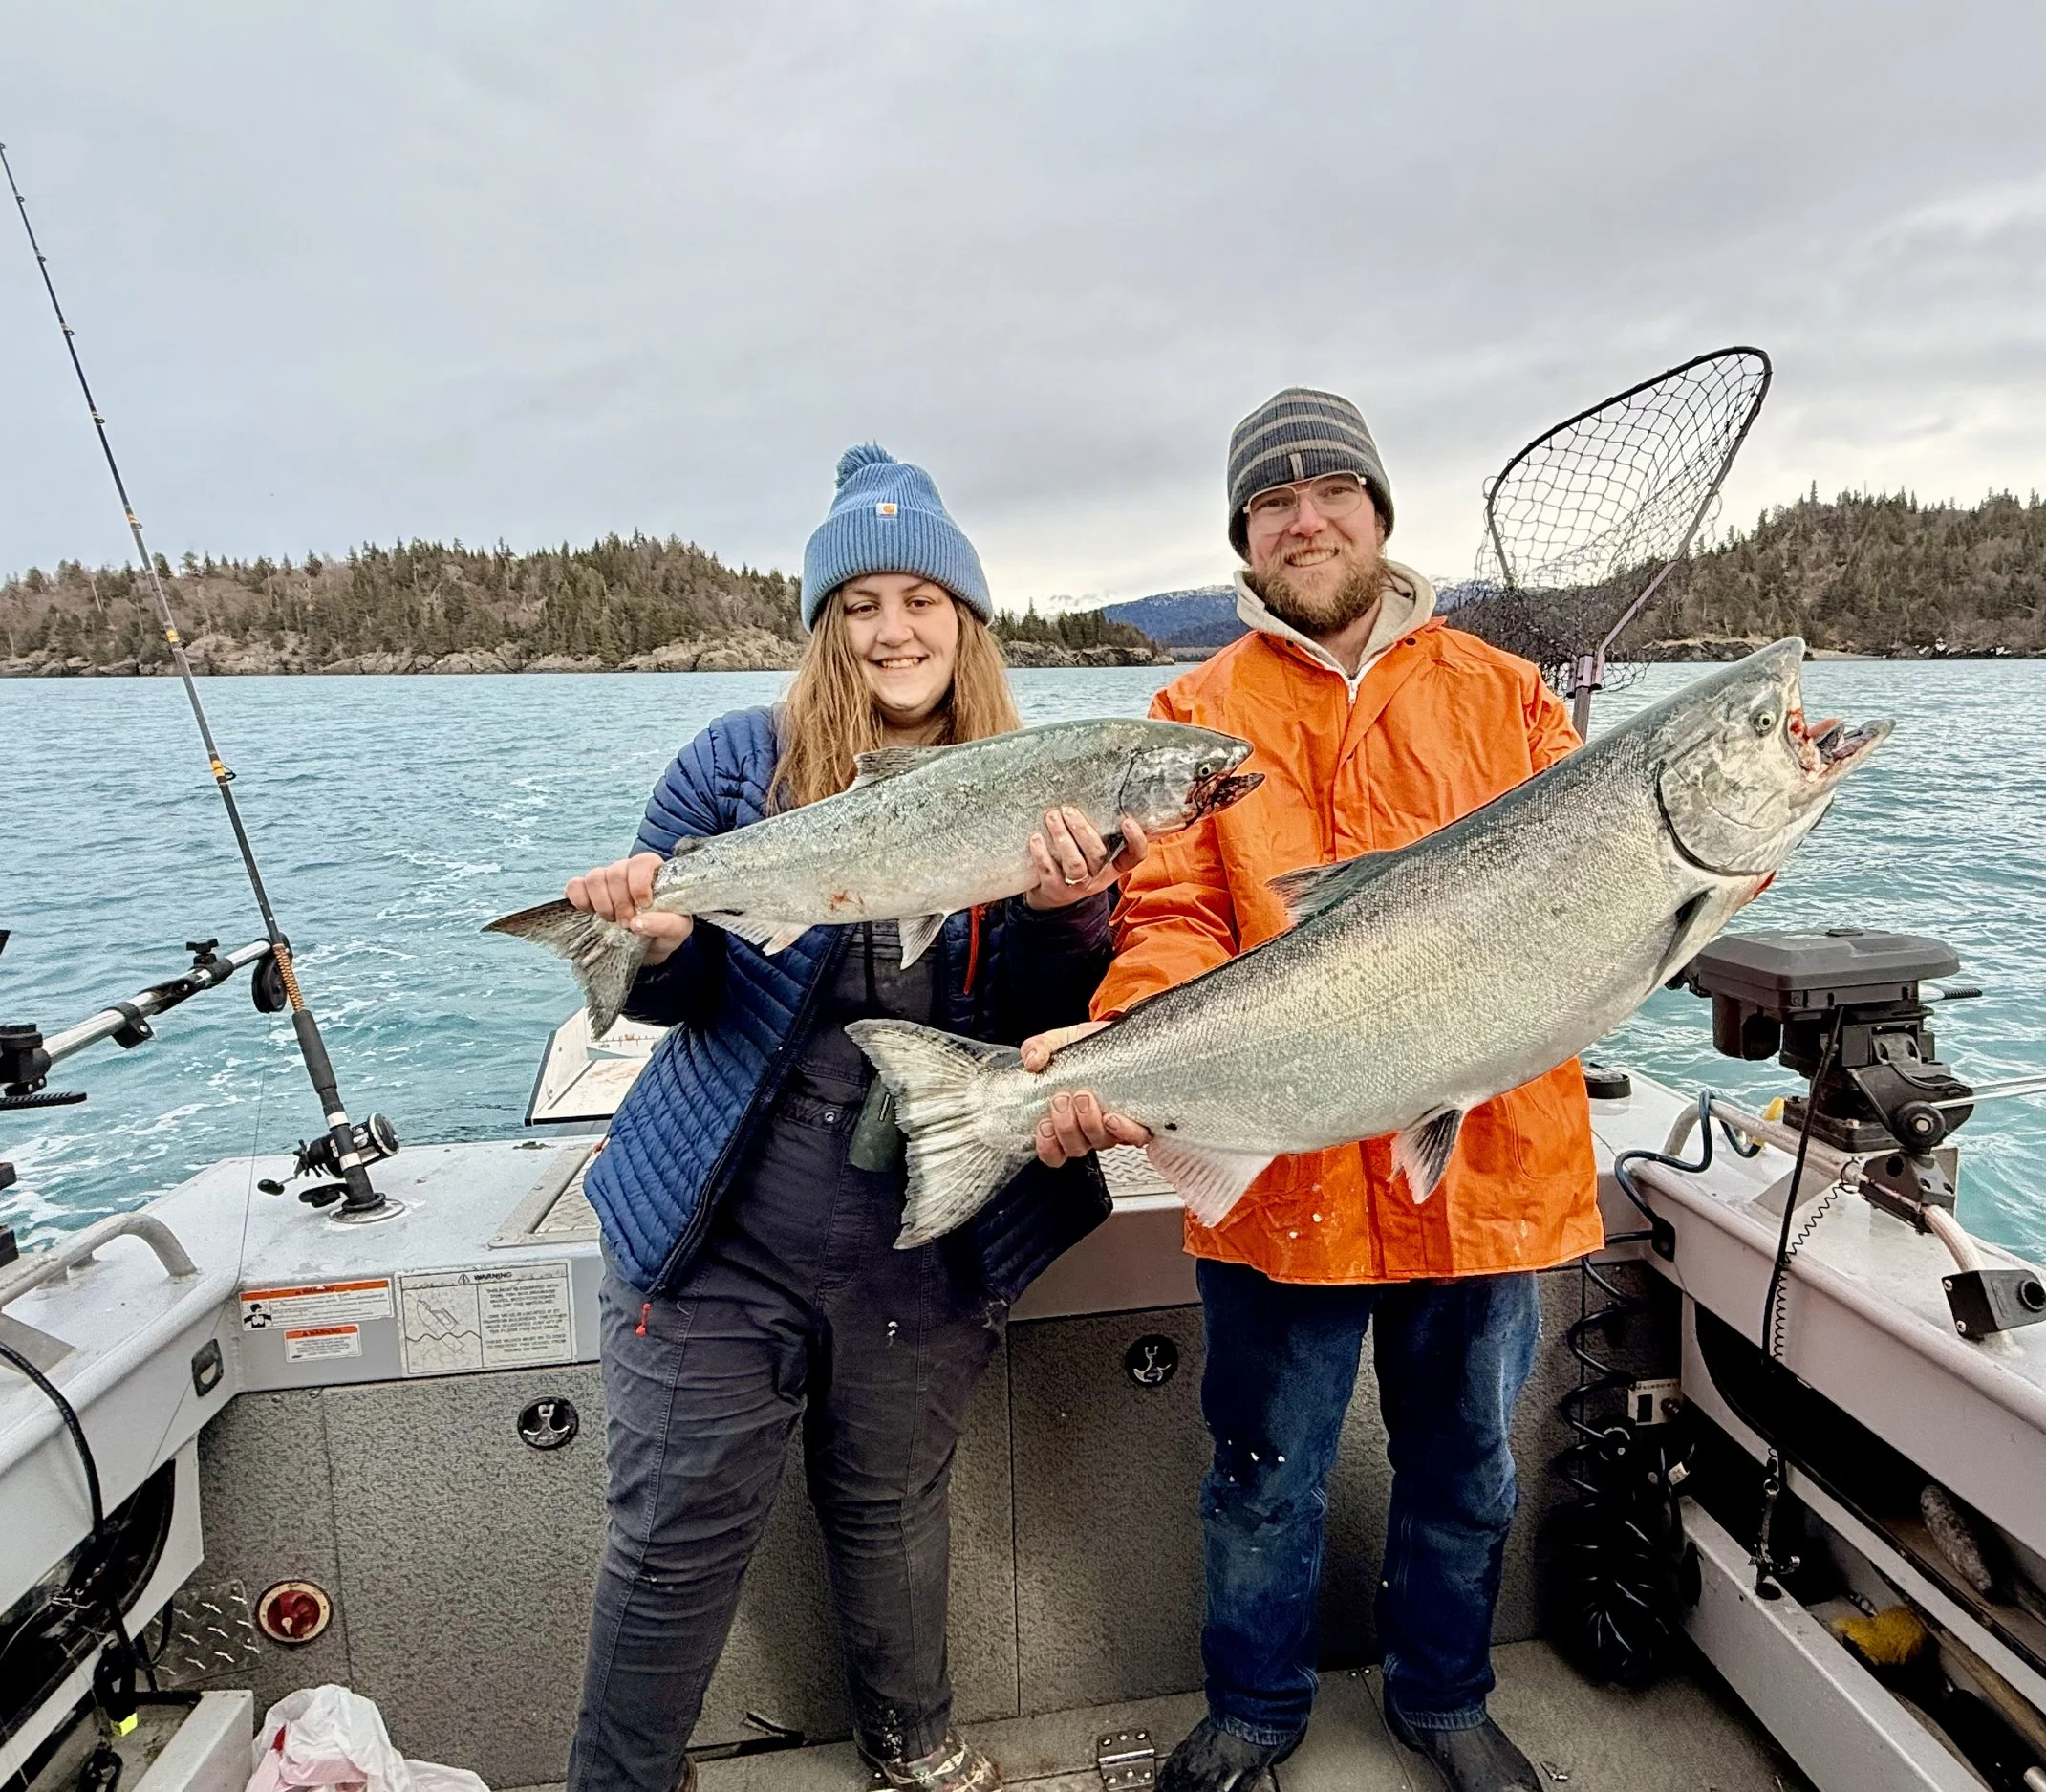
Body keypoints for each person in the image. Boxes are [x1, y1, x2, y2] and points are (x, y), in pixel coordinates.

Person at [1024, 390, 1602, 1792]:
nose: (1305, 516)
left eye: (1330, 485)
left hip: (1480, 1154)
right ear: (1245, 537)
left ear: (1380, 511)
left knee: (1467, 1463)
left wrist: (1740, 821)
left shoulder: (1508, 696)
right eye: (1271, 499)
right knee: (1261, 1469)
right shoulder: (1192, 716)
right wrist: (1124, 1044)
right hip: (1277, 1155)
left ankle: (1446, 1695)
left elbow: (1615, 885)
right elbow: (1169, 918)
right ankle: (1258, 1706)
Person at [564, 444, 1146, 1792]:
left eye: (922, 600)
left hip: (921, 1214)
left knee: (894, 1506)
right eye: (862, 603)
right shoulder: (734, 762)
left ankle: (911, 1739)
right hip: (724, 1215)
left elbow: (1037, 1025)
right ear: (829, 625)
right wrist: (650, 943)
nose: (894, 629)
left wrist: (1072, 914)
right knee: (672, 1528)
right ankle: (621, 1777)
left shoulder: (1035, 780)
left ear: (967, 619)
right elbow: (692, 990)